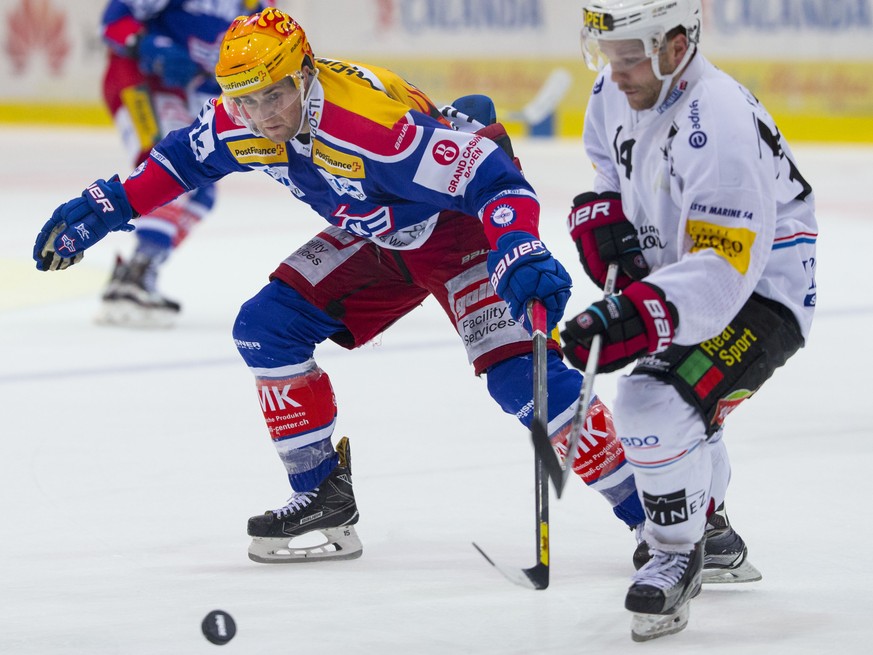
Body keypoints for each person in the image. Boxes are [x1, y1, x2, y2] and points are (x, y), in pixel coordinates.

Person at [33, 7, 646, 564]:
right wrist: (108, 204)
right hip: (377, 233)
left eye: (274, 95)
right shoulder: (240, 118)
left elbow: (492, 176)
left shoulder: (369, 129)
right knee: (265, 329)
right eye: (245, 101)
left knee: (522, 378)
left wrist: (519, 243)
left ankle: (659, 519)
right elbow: (181, 160)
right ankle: (323, 497)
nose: (262, 115)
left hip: (455, 233)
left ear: (304, 75)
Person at [562, 0, 817, 641]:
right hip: (687, 275)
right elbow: (606, 161)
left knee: (650, 400)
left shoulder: (719, 123)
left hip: (761, 290)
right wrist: (600, 209)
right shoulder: (619, 85)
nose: (614, 74)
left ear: (677, 45)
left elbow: (723, 271)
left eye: (629, 57)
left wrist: (634, 316)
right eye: (608, 55)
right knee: (681, 410)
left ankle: (678, 548)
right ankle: (714, 523)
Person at [97, 0, 265, 327]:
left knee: (202, 191)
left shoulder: (257, 6)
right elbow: (114, 20)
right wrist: (146, 45)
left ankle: (138, 271)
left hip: (188, 92)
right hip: (140, 81)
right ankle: (138, 272)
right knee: (165, 166)